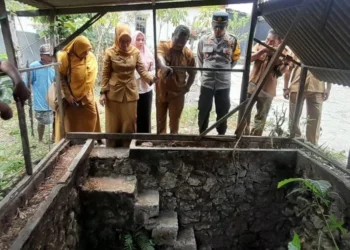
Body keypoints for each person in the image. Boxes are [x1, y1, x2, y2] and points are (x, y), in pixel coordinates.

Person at [99, 24, 156, 147]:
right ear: (116, 39)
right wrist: (103, 93)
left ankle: (127, 146)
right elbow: (105, 74)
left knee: (129, 121)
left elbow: (142, 70)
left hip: (130, 91)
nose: (125, 44)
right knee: (113, 122)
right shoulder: (109, 53)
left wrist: (152, 79)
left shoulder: (135, 52)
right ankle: (112, 146)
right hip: (113, 93)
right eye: (122, 41)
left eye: (127, 41)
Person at [197, 11, 241, 135]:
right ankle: (202, 133)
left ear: (226, 26)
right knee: (204, 109)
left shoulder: (233, 41)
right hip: (207, 82)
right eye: (215, 26)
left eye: (221, 27)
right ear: (212, 25)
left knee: (223, 110)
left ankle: (221, 135)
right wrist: (204, 72)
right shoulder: (203, 39)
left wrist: (225, 70)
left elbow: (235, 59)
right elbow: (200, 58)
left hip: (224, 83)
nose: (217, 30)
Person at [55, 35, 101, 142]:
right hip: (70, 98)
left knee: (91, 116)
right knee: (71, 121)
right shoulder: (65, 57)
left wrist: (81, 94)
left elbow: (91, 77)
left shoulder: (90, 57)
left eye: (88, 51)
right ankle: (73, 143)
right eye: (83, 51)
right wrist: (68, 95)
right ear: (77, 48)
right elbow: (61, 77)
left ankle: (89, 141)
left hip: (86, 96)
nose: (86, 54)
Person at [245, 29, 288, 136]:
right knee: (245, 111)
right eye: (268, 39)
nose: (268, 43)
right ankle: (243, 134)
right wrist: (263, 51)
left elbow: (282, 71)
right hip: (252, 84)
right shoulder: (260, 45)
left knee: (261, 116)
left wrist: (276, 55)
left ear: (280, 42)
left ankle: (254, 139)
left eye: (272, 41)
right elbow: (248, 59)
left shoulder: (284, 51)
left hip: (267, 89)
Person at [284, 53, 331, 145]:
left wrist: (328, 88)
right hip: (296, 87)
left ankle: (312, 144)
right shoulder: (297, 50)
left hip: (317, 88)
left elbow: (329, 71)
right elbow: (288, 70)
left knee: (315, 119)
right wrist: (285, 87)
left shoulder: (324, 52)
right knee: (294, 117)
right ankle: (294, 140)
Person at [156, 25, 197, 134]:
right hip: (161, 91)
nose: (179, 44)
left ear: (187, 41)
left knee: (174, 121)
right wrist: (163, 67)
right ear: (172, 35)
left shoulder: (188, 54)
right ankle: (161, 143)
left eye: (183, 42)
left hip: (177, 94)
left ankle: (172, 143)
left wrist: (187, 88)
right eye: (177, 40)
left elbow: (193, 73)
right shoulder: (163, 46)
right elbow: (159, 56)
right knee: (160, 120)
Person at [28, 44, 55, 142]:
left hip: (51, 100)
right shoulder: (34, 66)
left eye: (51, 55)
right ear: (42, 56)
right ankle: (40, 139)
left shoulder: (52, 69)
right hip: (40, 100)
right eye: (48, 55)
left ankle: (53, 138)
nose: (50, 58)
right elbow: (27, 82)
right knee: (42, 122)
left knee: (53, 120)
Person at [131, 31, 155, 133]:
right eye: (138, 39)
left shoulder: (149, 53)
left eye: (142, 40)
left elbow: (154, 69)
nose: (140, 42)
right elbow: (129, 71)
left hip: (146, 89)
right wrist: (141, 74)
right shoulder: (130, 54)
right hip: (133, 90)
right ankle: (135, 139)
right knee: (134, 116)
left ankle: (146, 138)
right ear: (133, 40)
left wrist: (148, 74)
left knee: (146, 115)